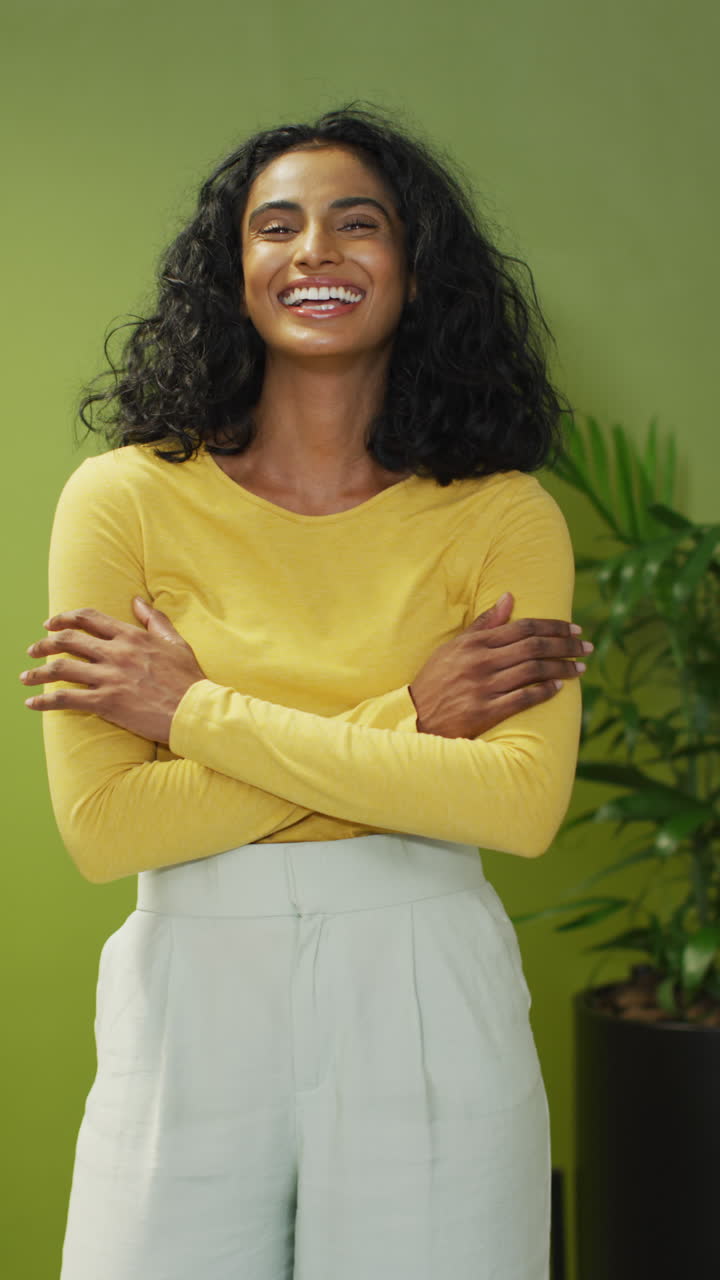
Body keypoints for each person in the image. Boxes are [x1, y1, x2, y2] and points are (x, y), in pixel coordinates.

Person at [22, 104, 589, 1279]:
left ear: (419, 272)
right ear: (233, 273)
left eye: (357, 224)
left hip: (426, 977)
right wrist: (411, 725)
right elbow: (106, 826)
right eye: (275, 225)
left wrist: (188, 712)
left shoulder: (502, 515)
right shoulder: (121, 498)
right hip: (193, 983)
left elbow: (515, 804)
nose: (314, 250)